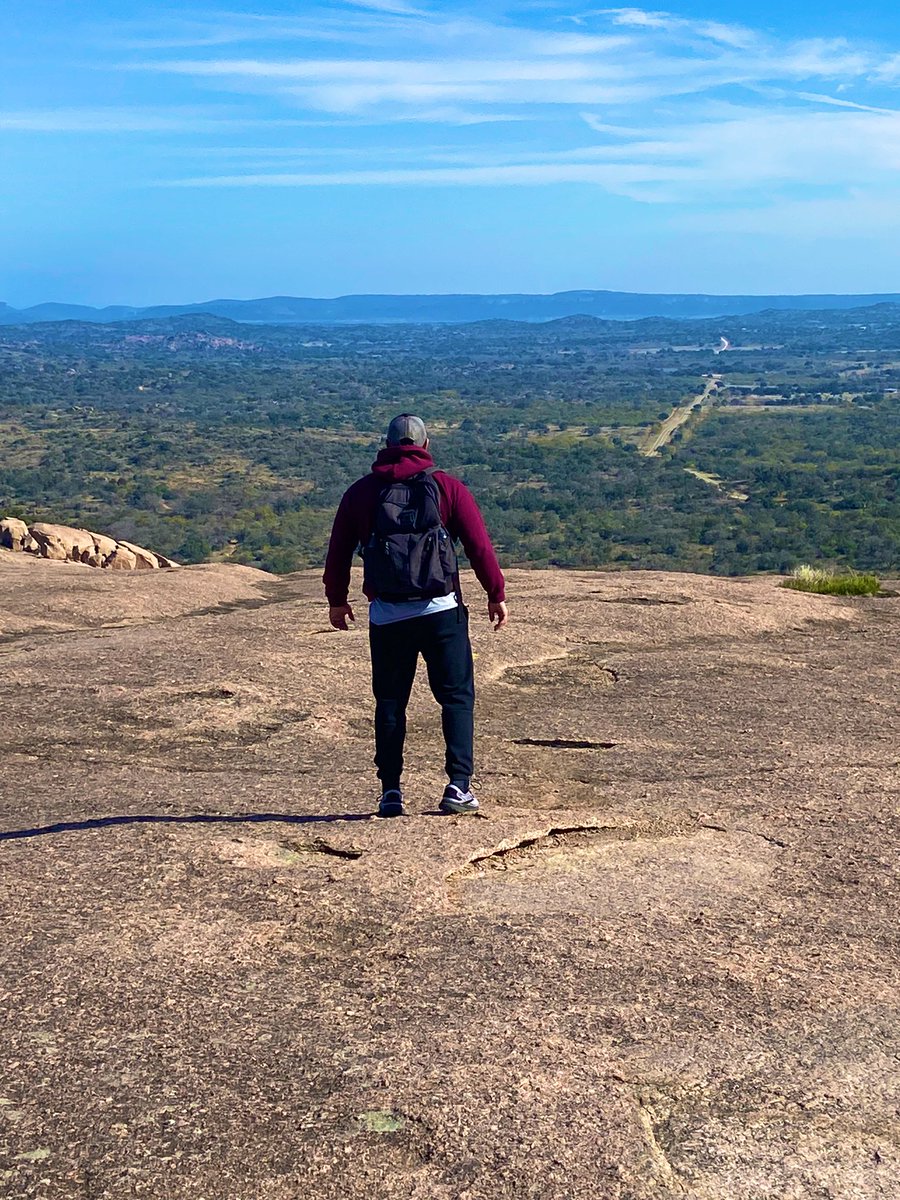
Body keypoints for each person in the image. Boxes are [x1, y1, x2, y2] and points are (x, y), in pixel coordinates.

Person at [323, 414, 508, 818]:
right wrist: (496, 593)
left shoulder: (362, 493)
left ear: (385, 444)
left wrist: (337, 600)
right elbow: (479, 546)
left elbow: (338, 552)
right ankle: (458, 786)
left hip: (388, 616)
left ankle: (391, 791)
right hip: (442, 611)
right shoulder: (447, 488)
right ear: (425, 446)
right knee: (456, 697)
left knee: (390, 702)